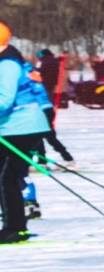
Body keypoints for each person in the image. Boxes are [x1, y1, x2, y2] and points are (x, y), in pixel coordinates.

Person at [0, 22, 52, 243]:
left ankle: (14, 228)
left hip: (22, 126)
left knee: (6, 176)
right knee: (6, 176)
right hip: (14, 126)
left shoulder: (7, 64)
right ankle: (14, 223)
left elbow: (4, 99)